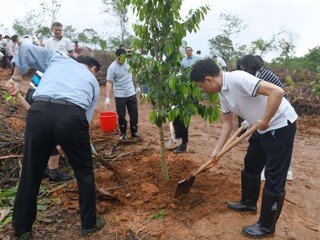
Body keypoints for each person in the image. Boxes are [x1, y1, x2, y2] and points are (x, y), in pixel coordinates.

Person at [5, 44, 105, 239]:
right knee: (84, 173)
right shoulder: (92, 82)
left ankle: (22, 230)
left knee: (30, 173)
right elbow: (83, 121)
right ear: (92, 69)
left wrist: (16, 78)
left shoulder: (57, 58)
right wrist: (68, 141)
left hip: (39, 111)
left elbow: (25, 49)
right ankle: (88, 225)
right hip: (72, 117)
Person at [190, 58, 298, 238]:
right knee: (251, 164)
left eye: (200, 86)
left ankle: (266, 226)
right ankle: (248, 202)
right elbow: (227, 124)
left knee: (274, 177)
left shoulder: (238, 78)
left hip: (280, 126)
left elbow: (277, 92)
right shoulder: (222, 93)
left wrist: (265, 119)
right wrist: (217, 149)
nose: (201, 89)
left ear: (209, 80)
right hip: (260, 127)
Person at [28, 22, 74, 182]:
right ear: (52, 31)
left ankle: (43, 170)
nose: (58, 32)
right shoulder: (55, 69)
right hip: (39, 96)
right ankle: (53, 172)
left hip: (35, 92)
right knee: (49, 133)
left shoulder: (55, 63)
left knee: (41, 134)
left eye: (60, 29)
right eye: (56, 29)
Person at [239, 54, 293, 180]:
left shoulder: (262, 75)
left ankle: (287, 171)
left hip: (280, 110)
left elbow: (271, 95)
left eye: (244, 66)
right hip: (270, 107)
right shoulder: (258, 74)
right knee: (264, 146)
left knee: (279, 148)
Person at [105, 48, 143, 141]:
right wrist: (107, 97)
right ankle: (123, 134)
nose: (122, 61)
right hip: (120, 95)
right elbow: (109, 82)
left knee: (134, 114)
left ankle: (134, 132)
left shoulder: (129, 62)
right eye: (119, 59)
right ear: (116, 56)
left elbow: (134, 74)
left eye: (124, 58)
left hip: (131, 93)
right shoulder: (112, 67)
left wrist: (137, 86)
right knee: (121, 116)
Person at [172, 46, 200, 153]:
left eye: (189, 50)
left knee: (184, 119)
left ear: (191, 51)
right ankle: (180, 142)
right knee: (176, 119)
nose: (188, 52)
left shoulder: (197, 60)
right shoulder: (181, 61)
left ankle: (184, 144)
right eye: (186, 50)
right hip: (180, 93)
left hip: (190, 92)